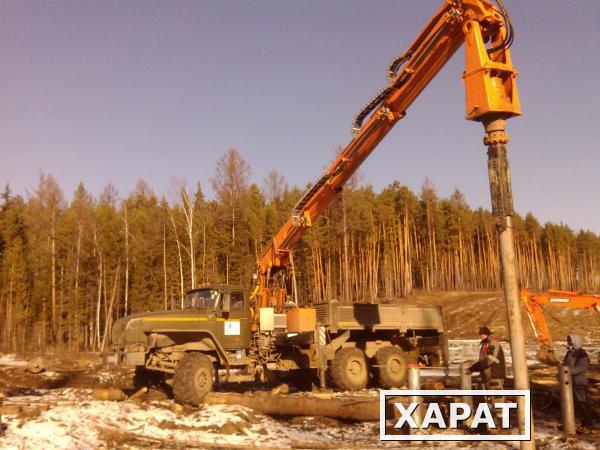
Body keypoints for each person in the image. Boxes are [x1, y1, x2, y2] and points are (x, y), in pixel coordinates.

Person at [563, 334, 592, 428]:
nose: (569, 343)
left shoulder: (582, 354)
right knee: (572, 403)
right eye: (568, 341)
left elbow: (581, 368)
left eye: (570, 341)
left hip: (579, 382)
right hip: (569, 382)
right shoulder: (569, 353)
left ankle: (588, 422)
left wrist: (567, 372)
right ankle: (574, 422)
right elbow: (565, 363)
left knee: (582, 403)